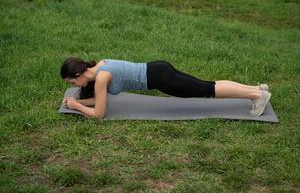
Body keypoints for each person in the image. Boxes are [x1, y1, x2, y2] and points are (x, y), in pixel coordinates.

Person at [60, 57, 271, 119]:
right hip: (159, 69)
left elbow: (98, 113)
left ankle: (257, 95)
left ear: (78, 75)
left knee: (208, 89)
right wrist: (77, 101)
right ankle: (255, 89)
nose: (74, 86)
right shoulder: (101, 66)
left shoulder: (102, 78)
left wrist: (78, 107)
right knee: (208, 84)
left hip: (162, 78)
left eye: (71, 82)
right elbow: (99, 99)